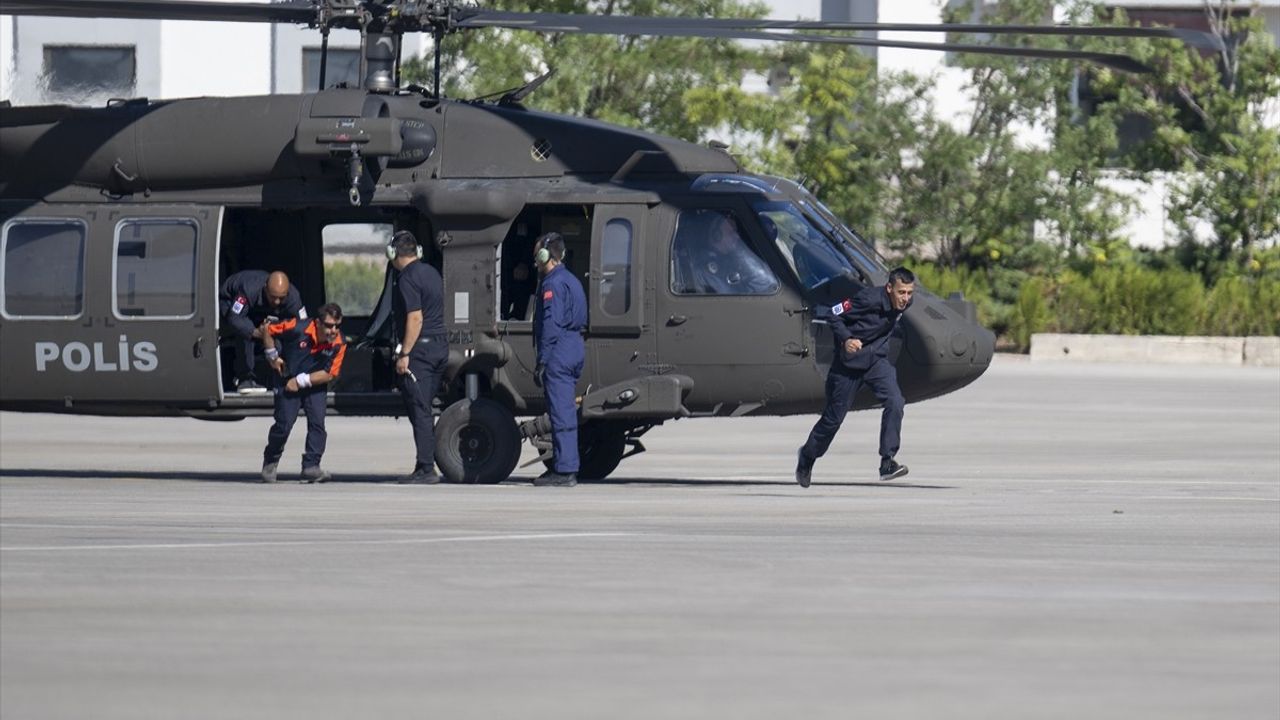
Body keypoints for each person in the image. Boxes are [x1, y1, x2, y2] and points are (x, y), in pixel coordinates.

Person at [795, 267, 916, 487]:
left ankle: (887, 461)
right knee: (833, 420)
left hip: (877, 362)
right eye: (901, 292)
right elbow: (833, 313)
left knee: (895, 401)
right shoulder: (867, 299)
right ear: (889, 288)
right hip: (848, 365)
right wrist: (846, 339)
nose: (905, 298)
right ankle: (808, 456)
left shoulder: (907, 303)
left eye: (909, 293)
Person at [259, 303, 346, 483]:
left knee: (317, 424)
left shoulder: (339, 343)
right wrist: (272, 356)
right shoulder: (298, 327)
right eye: (329, 326)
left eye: (337, 326)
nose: (334, 331)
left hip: (313, 383)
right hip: (286, 378)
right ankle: (271, 459)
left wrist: (300, 381)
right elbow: (267, 329)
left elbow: (329, 374)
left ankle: (311, 466)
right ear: (318, 323)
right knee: (284, 425)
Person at [389, 230, 449, 485]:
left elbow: (415, 318)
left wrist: (405, 353)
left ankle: (426, 467)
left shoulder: (407, 279)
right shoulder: (432, 273)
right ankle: (424, 462)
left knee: (420, 410)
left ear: (393, 254)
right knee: (426, 407)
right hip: (439, 348)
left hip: (420, 352)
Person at [531, 232, 587, 487]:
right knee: (565, 409)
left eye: (537, 255)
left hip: (560, 350)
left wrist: (543, 360)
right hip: (574, 346)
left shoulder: (552, 283)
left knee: (561, 412)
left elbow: (551, 325)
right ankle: (565, 465)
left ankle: (564, 470)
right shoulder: (571, 280)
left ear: (545, 255)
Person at [219, 270, 307, 394]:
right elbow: (235, 318)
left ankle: (283, 375)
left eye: (281, 298)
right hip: (230, 302)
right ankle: (245, 378)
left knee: (283, 336)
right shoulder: (248, 290)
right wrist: (256, 333)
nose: (277, 302)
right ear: (265, 289)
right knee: (245, 332)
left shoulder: (293, 297)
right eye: (273, 297)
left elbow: (303, 327)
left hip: (261, 311)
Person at [691, 213, 778, 295]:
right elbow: (730, 298)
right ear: (717, 235)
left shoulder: (730, 258)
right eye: (731, 232)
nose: (737, 236)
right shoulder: (708, 266)